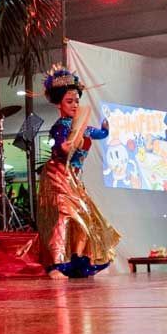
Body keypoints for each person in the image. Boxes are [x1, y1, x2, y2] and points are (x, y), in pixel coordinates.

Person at [37, 66, 121, 279]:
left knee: (84, 217)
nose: (75, 105)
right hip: (58, 174)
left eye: (76, 101)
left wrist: (106, 128)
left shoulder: (81, 126)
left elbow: (100, 133)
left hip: (73, 178)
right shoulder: (59, 127)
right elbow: (59, 148)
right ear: (59, 103)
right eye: (69, 101)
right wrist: (65, 147)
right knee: (65, 217)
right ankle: (56, 264)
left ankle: (78, 260)